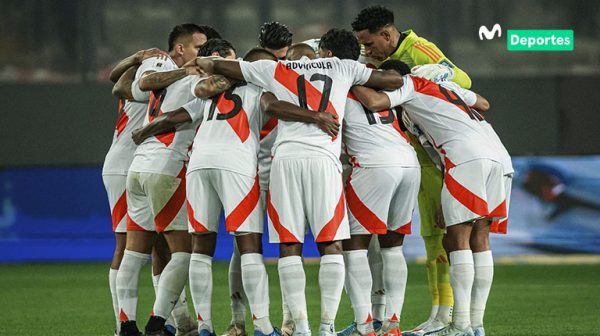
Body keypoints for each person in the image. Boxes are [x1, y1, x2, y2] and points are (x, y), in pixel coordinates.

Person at [190, 28, 403, 336]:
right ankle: (326, 327)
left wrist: (212, 66)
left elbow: (216, 66)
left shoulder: (276, 68)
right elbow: (391, 81)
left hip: (285, 161)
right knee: (331, 244)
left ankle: (299, 328)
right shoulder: (343, 66)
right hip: (324, 161)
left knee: (289, 245)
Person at [131, 47, 282, 336]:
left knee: (201, 248)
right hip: (236, 165)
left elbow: (175, 117)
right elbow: (272, 108)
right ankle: (262, 326)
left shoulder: (211, 95)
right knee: (248, 244)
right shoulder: (258, 89)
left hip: (199, 165)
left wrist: (145, 131)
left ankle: (204, 326)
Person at [351, 61, 508, 336]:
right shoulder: (447, 87)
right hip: (500, 157)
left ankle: (460, 325)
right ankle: (476, 325)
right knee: (480, 239)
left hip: (466, 157)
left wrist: (348, 78)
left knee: (457, 240)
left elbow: (375, 102)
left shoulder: (410, 84)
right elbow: (483, 103)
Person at [350, 6, 474, 334]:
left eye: (369, 43)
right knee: (431, 236)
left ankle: (451, 315)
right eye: (361, 45)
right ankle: (439, 313)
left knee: (447, 235)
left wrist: (425, 76)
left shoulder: (418, 49)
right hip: (411, 155)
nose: (366, 50)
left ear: (388, 35)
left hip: (437, 157)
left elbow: (462, 80)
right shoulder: (373, 62)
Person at [114, 23, 218, 336]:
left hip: (139, 169)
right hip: (166, 169)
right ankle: (158, 321)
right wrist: (187, 73)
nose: (203, 54)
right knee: (184, 252)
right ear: (180, 48)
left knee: (134, 253)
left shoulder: (166, 72)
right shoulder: (178, 71)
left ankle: (125, 325)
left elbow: (127, 87)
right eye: (199, 47)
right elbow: (148, 86)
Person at [338, 59, 420, 336]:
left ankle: (365, 324)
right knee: (393, 247)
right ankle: (392, 324)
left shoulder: (340, 88)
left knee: (354, 246)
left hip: (373, 164)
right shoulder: (392, 96)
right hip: (409, 163)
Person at [104, 47, 169, 336]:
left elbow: (115, 79)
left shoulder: (156, 79)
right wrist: (136, 59)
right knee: (126, 244)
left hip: (146, 165)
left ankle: (165, 320)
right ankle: (122, 325)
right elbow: (117, 83)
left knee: (161, 245)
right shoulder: (152, 79)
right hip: (125, 164)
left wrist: (133, 60)